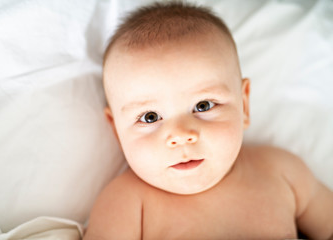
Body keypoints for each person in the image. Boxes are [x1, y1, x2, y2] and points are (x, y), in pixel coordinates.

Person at [84, 2, 333, 239]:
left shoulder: (283, 173)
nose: (181, 135)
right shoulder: (126, 204)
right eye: (150, 117)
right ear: (117, 130)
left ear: (244, 106)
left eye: (203, 106)